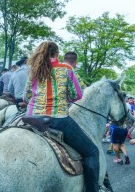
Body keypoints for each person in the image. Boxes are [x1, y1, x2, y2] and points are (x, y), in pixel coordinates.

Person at [24, 42, 102, 192]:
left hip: (31, 117)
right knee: (92, 152)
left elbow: (26, 96)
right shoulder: (66, 69)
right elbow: (77, 95)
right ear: (56, 53)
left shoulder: (33, 70)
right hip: (57, 119)